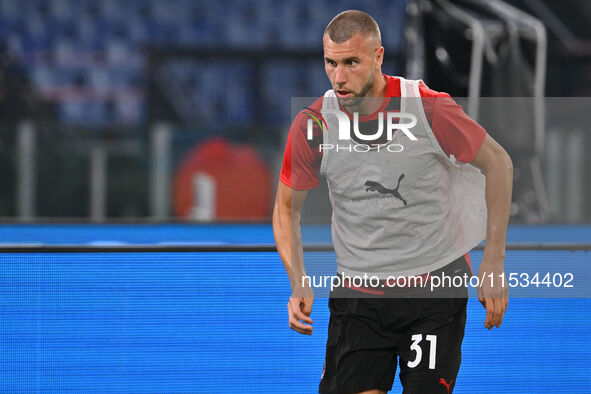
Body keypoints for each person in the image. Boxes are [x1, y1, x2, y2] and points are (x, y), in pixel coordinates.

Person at [272, 10, 512, 394]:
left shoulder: (428, 108)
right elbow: (286, 208)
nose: (338, 77)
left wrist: (494, 262)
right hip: (359, 296)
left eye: (351, 62)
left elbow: (498, 162)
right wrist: (298, 281)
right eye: (330, 63)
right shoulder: (313, 125)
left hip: (434, 289)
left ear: (378, 57)